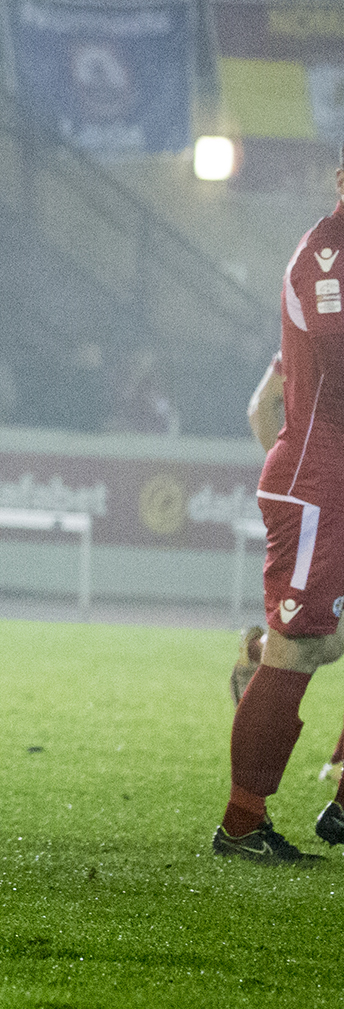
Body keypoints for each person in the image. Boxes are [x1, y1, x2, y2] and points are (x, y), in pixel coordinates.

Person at [218, 152, 344, 863]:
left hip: (326, 473)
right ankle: (241, 822)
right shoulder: (327, 254)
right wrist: (293, 470)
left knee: (312, 642)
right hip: (320, 479)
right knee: (302, 644)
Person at [229, 353, 344, 780]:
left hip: (321, 494)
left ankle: (338, 761)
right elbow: (261, 406)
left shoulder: (309, 338)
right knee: (305, 643)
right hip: (326, 499)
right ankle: (244, 818)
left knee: (329, 642)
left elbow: (261, 405)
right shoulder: (323, 337)